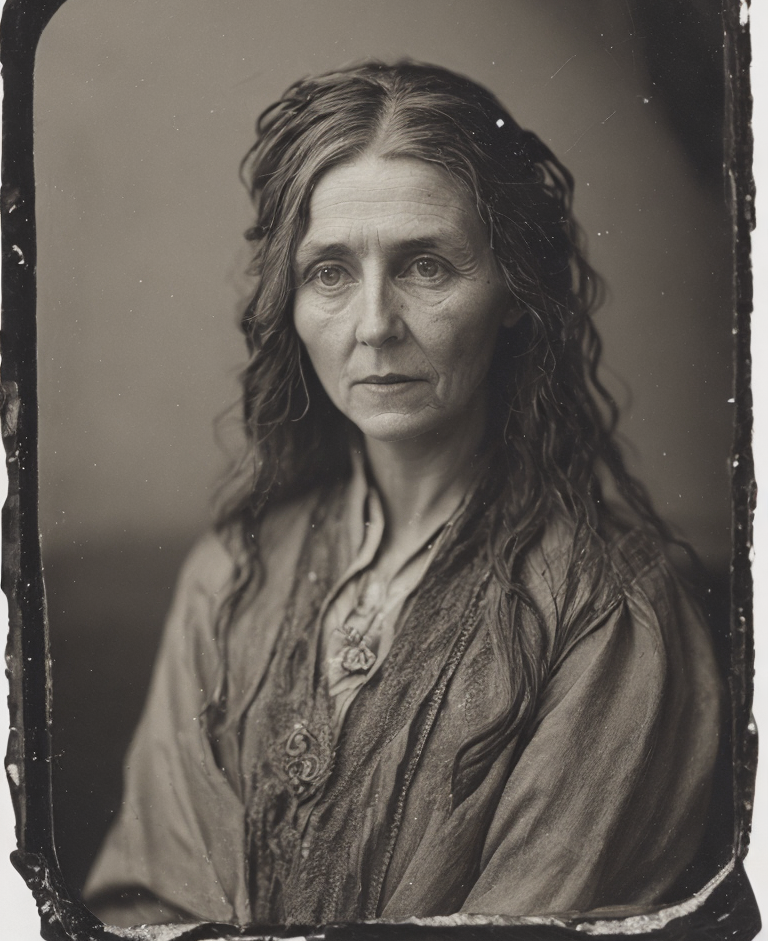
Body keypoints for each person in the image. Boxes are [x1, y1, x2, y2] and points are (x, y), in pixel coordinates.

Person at [83, 61, 722, 928]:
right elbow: (144, 902)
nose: (375, 325)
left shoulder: (607, 612)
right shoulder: (229, 579)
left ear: (511, 297)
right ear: (291, 302)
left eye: (426, 265)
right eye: (331, 272)